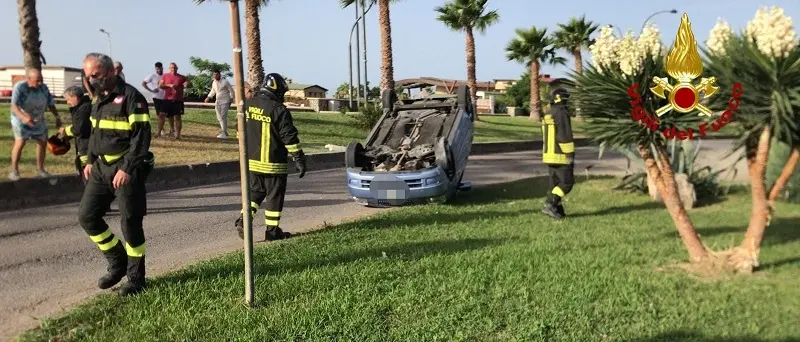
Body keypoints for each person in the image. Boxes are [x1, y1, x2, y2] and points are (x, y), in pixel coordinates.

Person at [79, 52, 154, 296]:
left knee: (130, 222)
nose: (92, 79)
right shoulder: (98, 98)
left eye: (96, 74)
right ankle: (117, 261)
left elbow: (141, 137)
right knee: (87, 216)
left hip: (125, 168)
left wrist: (127, 168)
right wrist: (90, 160)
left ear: (111, 72)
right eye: (88, 76)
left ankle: (136, 279)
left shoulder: (132, 97)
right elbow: (95, 132)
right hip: (101, 168)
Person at [234, 73, 307, 241]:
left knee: (255, 193)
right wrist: (299, 159)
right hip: (273, 164)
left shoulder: (248, 105)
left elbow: (239, 132)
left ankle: (244, 220)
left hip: (251, 163)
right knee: (274, 196)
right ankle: (272, 232)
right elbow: (289, 138)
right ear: (277, 90)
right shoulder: (279, 110)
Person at [8, 68, 62, 180]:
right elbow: (14, 107)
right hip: (20, 118)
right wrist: (24, 117)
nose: (40, 83)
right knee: (20, 141)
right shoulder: (20, 87)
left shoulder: (44, 88)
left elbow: (51, 104)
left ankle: (40, 169)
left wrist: (57, 117)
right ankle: (14, 171)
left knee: (42, 141)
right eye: (37, 81)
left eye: (41, 80)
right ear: (29, 79)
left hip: (38, 119)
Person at [541, 87, 575, 220]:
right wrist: (570, 154)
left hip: (549, 155)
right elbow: (564, 135)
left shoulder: (549, 112)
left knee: (555, 183)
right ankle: (550, 204)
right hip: (561, 155)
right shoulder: (561, 113)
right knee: (566, 183)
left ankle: (558, 210)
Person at [58, 86, 92, 177]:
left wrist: (65, 131)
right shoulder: (82, 107)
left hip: (87, 150)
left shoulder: (83, 110)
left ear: (75, 97)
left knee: (88, 178)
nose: (67, 102)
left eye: (68, 99)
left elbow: (79, 129)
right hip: (85, 148)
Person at [158, 62, 191, 139]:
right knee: (161, 115)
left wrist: (188, 83)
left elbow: (189, 84)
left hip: (178, 99)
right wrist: (169, 85)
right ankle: (158, 133)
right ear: (169, 69)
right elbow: (160, 85)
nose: (173, 69)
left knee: (177, 117)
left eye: (174, 68)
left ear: (177, 68)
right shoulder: (165, 76)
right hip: (167, 99)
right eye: (172, 68)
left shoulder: (182, 77)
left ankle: (178, 135)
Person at [204, 70, 234, 139]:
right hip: (218, 101)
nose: (215, 76)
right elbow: (213, 91)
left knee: (223, 117)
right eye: (214, 75)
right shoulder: (214, 82)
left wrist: (231, 99)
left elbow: (231, 90)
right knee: (219, 117)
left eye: (216, 74)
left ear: (220, 75)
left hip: (225, 101)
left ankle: (224, 133)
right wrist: (208, 97)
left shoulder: (225, 82)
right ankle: (224, 132)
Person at [142, 62, 167, 134]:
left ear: (162, 68)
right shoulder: (152, 75)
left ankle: (162, 129)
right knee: (159, 115)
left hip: (165, 97)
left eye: (160, 68)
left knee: (163, 114)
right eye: (157, 69)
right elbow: (143, 83)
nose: (159, 70)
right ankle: (161, 129)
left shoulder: (165, 75)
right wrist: (151, 90)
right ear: (155, 69)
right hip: (156, 97)